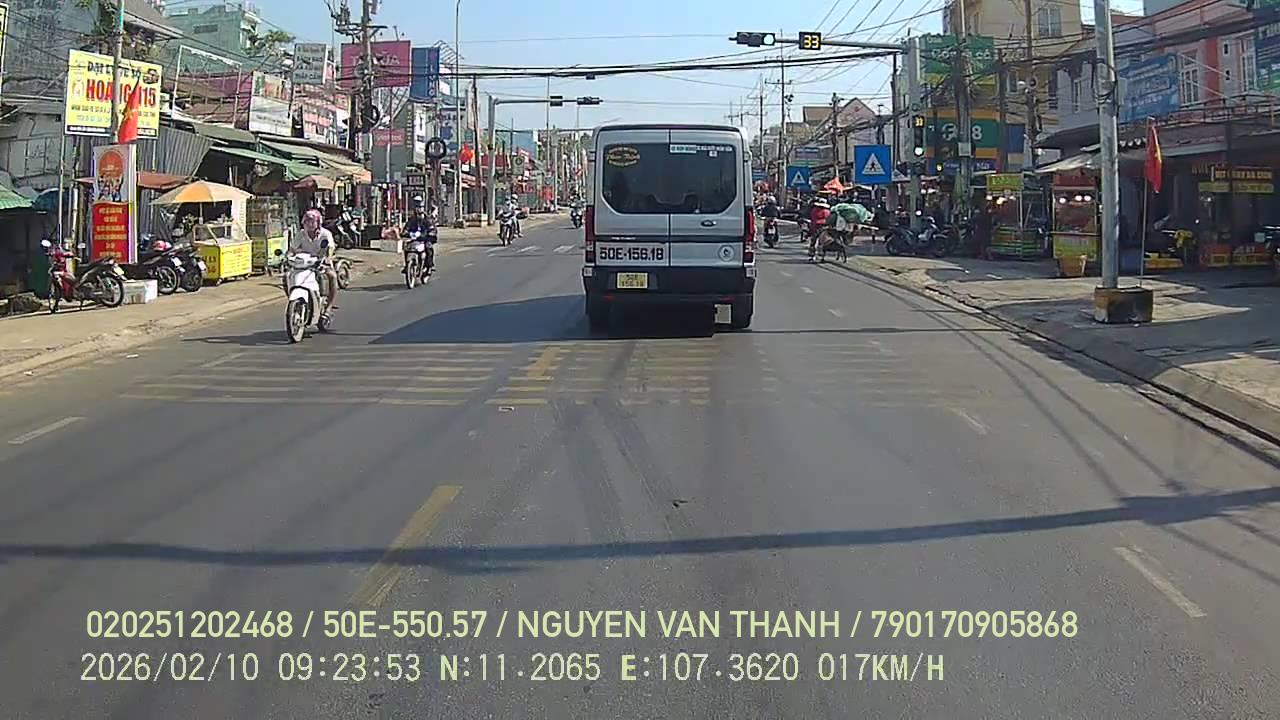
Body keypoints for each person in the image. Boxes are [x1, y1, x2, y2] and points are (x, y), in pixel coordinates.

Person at [289, 208, 338, 319]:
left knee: (332, 276)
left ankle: (328, 307)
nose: (309, 224)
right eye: (307, 221)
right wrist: (288, 256)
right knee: (287, 277)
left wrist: (328, 258)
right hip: (303, 265)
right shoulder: (301, 234)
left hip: (320, 263)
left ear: (318, 223)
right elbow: (292, 249)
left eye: (312, 221)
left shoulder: (325, 234)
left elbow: (330, 248)